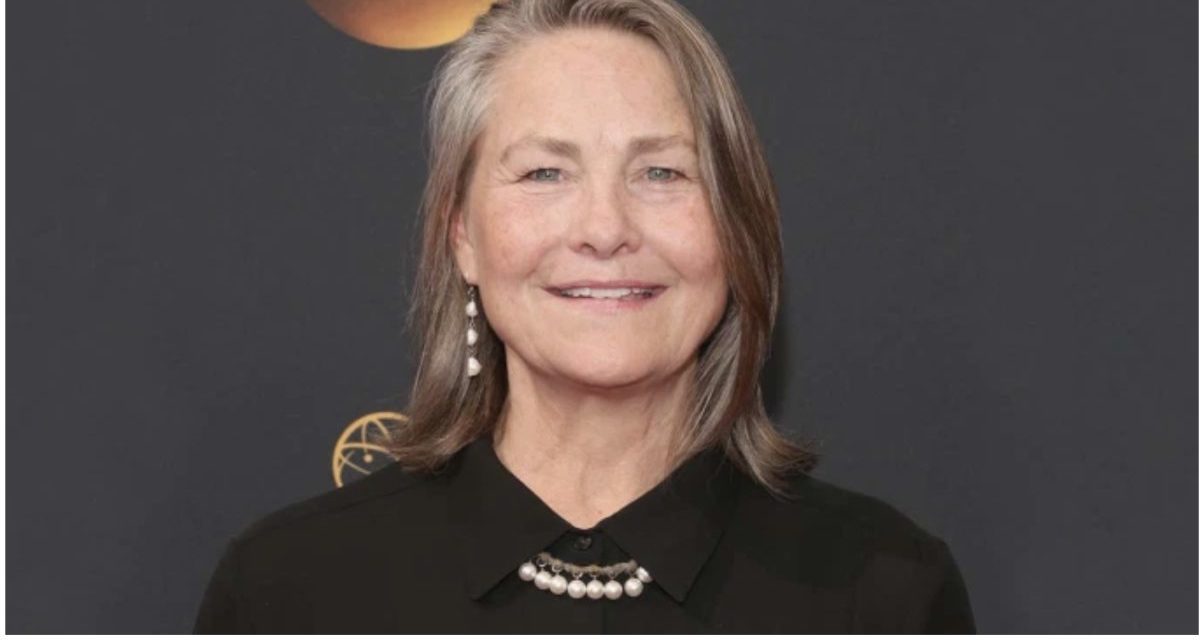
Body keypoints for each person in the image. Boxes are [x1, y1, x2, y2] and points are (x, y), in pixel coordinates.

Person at [193, 0, 976, 633]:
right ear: (462, 235)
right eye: (545, 172)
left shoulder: (883, 593)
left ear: (735, 228)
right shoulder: (291, 592)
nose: (605, 228)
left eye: (662, 172)